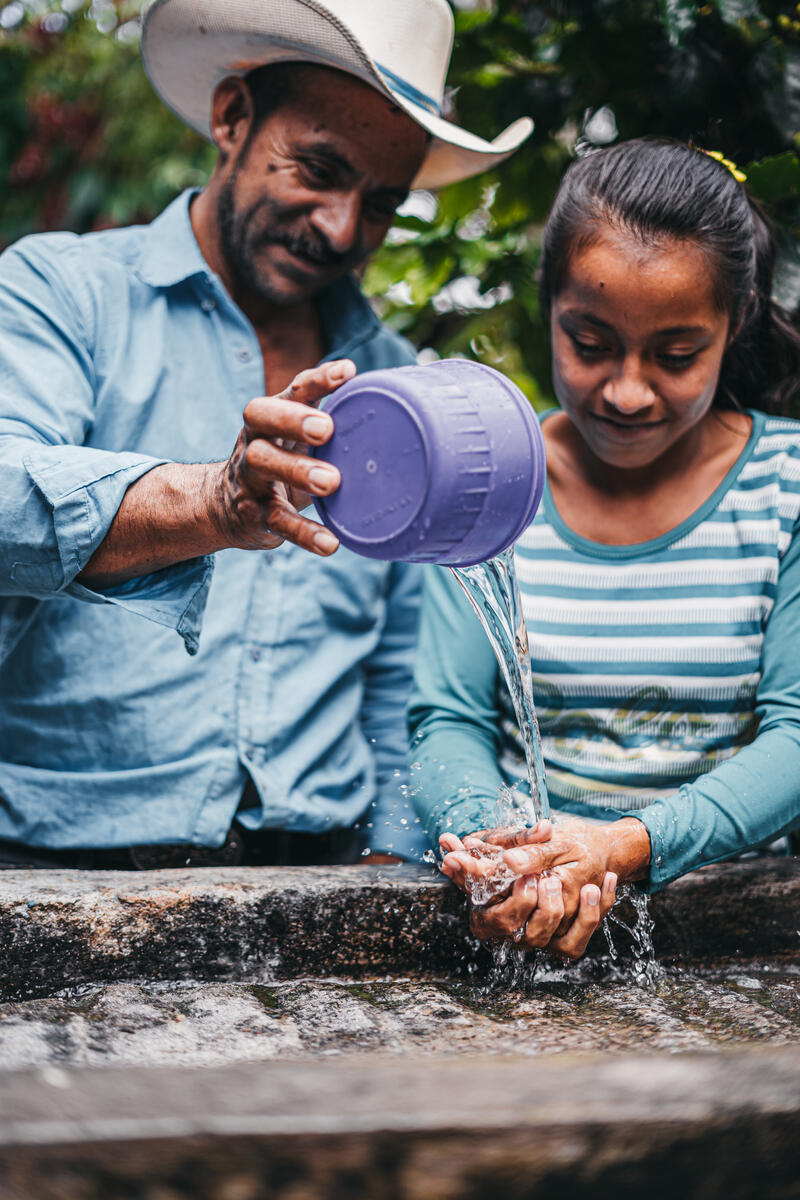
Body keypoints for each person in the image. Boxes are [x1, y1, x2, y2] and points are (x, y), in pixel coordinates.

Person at [0, 0, 532, 869]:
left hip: (318, 878)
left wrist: (391, 859)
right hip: (56, 871)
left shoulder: (402, 389)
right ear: (233, 117)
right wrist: (212, 501)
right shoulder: (60, 293)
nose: (341, 228)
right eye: (319, 168)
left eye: (380, 203)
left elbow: (401, 673)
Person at [409, 137, 800, 957]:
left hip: (736, 933)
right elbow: (448, 719)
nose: (626, 389)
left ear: (735, 327)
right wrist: (500, 856)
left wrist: (623, 847)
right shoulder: (487, 483)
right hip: (523, 910)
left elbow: (796, 737)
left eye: (676, 355)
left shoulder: (787, 489)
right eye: (590, 345)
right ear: (547, 306)